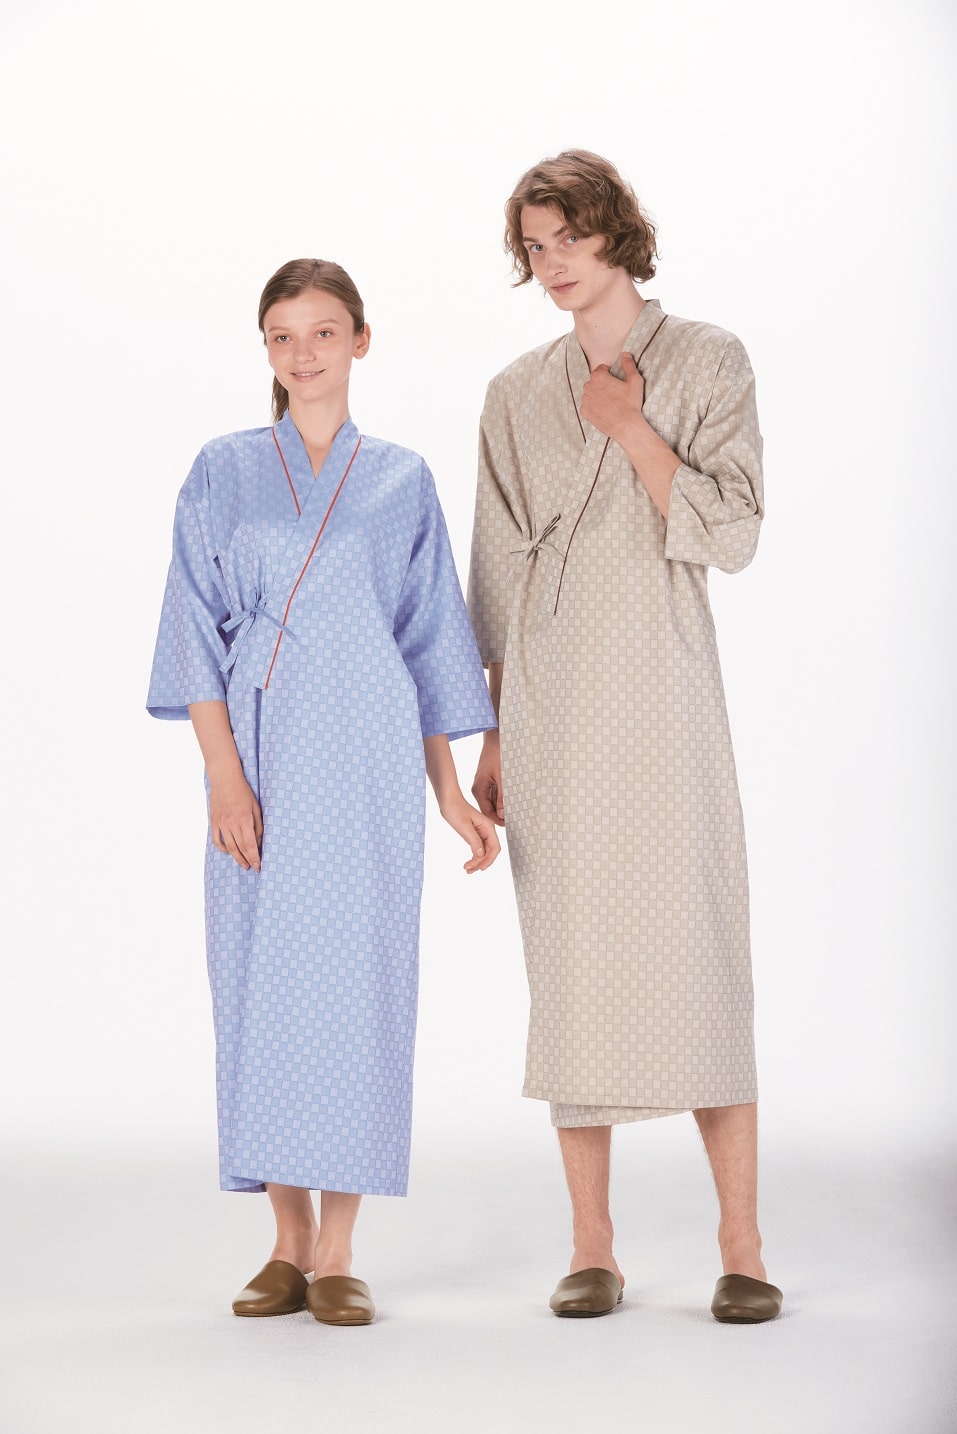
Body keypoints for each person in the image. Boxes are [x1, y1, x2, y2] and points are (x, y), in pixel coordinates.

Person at [148, 258, 498, 1327]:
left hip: (367, 757)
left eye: (323, 332)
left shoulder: (400, 480)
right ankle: (286, 1239)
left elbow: (428, 642)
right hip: (257, 749)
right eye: (283, 336)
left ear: (360, 340)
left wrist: (447, 789)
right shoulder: (222, 470)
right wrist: (223, 777)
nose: (303, 354)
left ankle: (340, 1248)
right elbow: (190, 626)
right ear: (266, 349)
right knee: (257, 981)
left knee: (358, 986)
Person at [468, 151, 782, 1323]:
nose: (552, 264)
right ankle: (591, 1245)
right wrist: (493, 733)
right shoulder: (514, 392)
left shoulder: (709, 358)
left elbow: (734, 533)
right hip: (550, 705)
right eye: (535, 247)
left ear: (617, 235)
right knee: (572, 966)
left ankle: (742, 1245)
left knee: (702, 956)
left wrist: (633, 427)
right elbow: (496, 566)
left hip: (663, 691)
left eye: (569, 238)